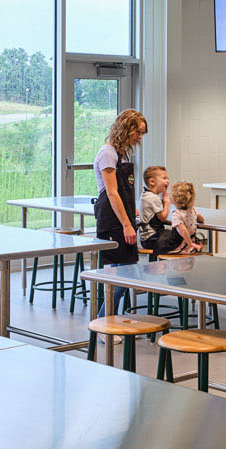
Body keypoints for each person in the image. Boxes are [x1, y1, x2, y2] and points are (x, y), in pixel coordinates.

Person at [94, 109, 148, 309]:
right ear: (126, 129)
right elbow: (112, 193)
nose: (139, 137)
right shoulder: (108, 153)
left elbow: (125, 190)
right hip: (112, 220)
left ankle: (110, 318)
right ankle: (103, 320)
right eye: (138, 132)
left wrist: (132, 210)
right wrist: (126, 225)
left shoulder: (122, 154)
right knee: (126, 270)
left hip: (124, 216)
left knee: (125, 270)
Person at [154, 181, 206, 256]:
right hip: (191, 243)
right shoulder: (192, 210)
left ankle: (157, 264)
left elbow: (183, 230)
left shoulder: (177, 214)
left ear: (174, 200)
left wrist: (190, 244)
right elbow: (201, 219)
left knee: (159, 244)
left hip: (180, 246)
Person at [137, 165, 171, 252]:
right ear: (152, 181)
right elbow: (163, 218)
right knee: (180, 235)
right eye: (164, 178)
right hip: (153, 238)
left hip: (145, 239)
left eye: (167, 178)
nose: (167, 181)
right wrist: (167, 202)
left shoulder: (145, 195)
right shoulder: (153, 198)